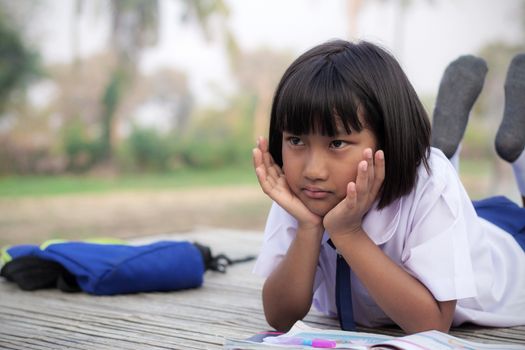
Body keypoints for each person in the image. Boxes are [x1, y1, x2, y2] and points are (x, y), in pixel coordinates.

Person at [251, 39, 525, 334]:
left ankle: (518, 155)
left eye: (337, 143)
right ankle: (448, 152)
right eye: (296, 140)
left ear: (387, 139)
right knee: (440, 184)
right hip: (442, 215)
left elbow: (432, 324)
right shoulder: (305, 192)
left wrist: (348, 233)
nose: (313, 170)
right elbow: (280, 316)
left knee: (440, 177)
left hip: (506, 243)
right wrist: (308, 228)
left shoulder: (429, 183)